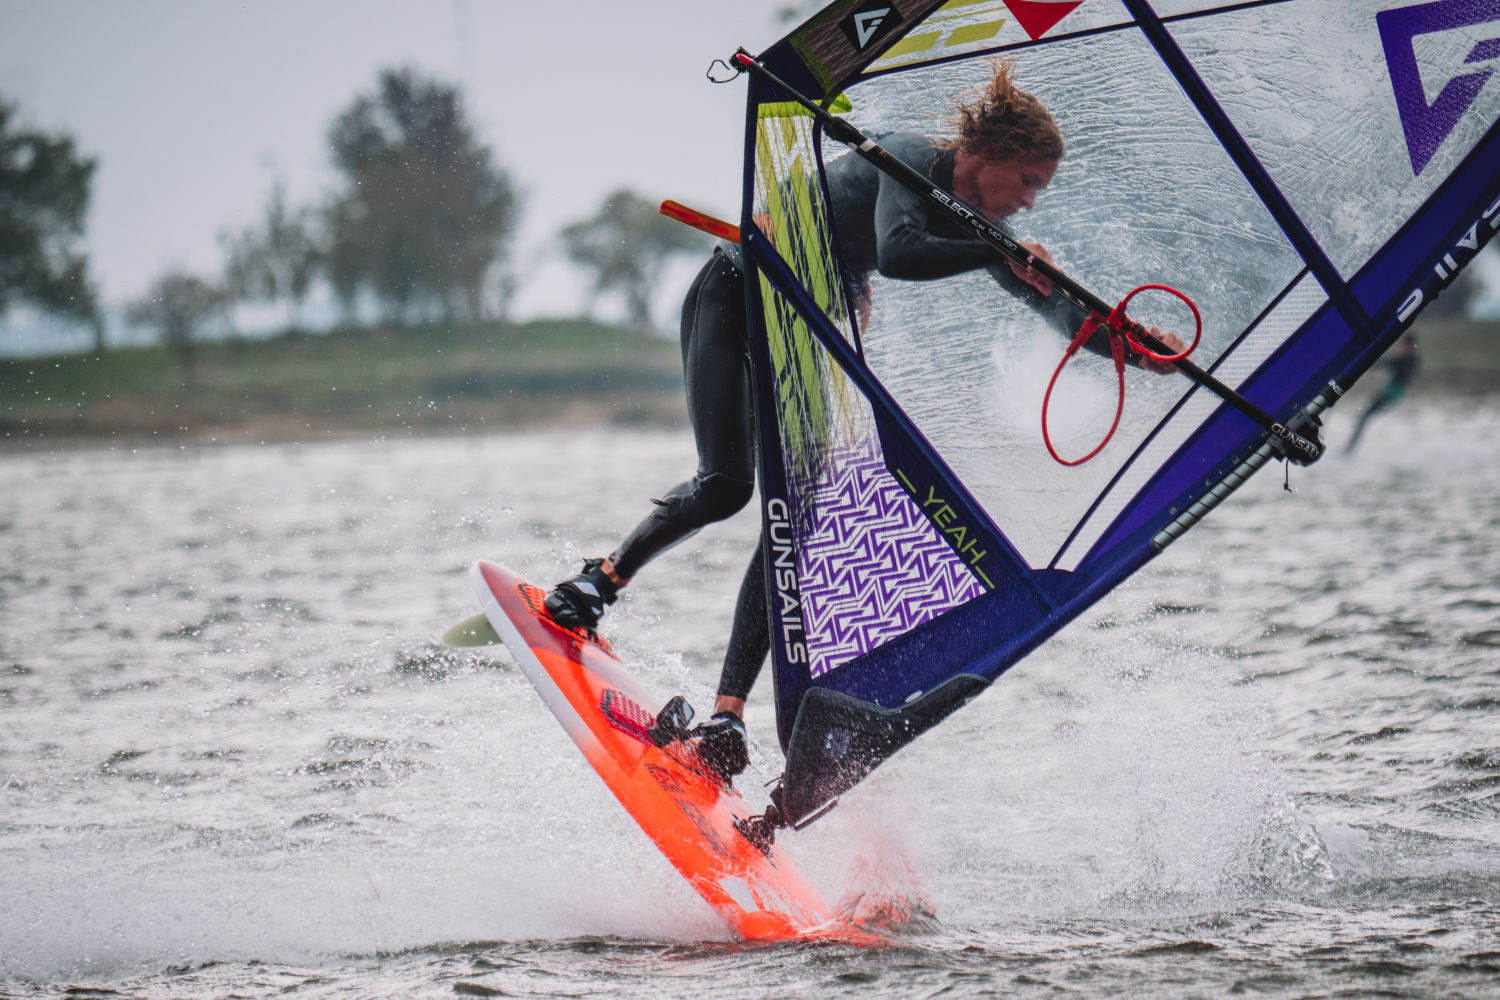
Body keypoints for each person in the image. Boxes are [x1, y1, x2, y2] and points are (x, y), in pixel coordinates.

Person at [545, 60, 1183, 781]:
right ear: (991, 155)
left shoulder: (982, 230)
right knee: (726, 484)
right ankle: (596, 584)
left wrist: (1132, 347)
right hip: (733, 291)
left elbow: (1057, 310)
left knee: (794, 513)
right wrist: (998, 252)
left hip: (801, 321)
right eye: (1030, 181)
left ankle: (725, 716)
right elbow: (901, 253)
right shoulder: (908, 157)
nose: (1031, 203)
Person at [1345, 335, 1418, 453]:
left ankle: (1349, 449)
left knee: (1364, 417)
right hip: (1389, 394)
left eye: (1405, 346)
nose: (1402, 348)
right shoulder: (1410, 360)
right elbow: (1388, 364)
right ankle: (1349, 448)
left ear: (1409, 346)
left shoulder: (1407, 360)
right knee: (1363, 417)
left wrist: (1367, 359)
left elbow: (1386, 364)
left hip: (1389, 395)